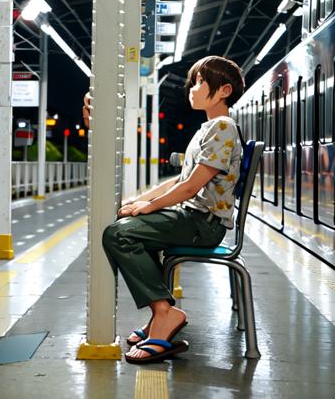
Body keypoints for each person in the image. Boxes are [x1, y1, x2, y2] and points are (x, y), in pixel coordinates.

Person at [100, 55, 245, 364]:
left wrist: (147, 206)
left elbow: (191, 188)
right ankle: (160, 316)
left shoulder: (222, 128)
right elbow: (181, 181)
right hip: (192, 218)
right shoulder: (210, 128)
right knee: (133, 226)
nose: (192, 89)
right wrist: (140, 202)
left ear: (224, 90)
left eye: (201, 82)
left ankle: (165, 313)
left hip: (202, 224)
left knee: (118, 235)